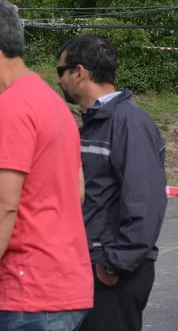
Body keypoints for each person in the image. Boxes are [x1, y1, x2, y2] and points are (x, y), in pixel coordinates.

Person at [0, 0, 93, 331]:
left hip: (29, 291)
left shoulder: (10, 107)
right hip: (63, 287)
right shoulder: (52, 103)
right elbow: (72, 191)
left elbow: (3, 202)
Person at [56, 34, 166, 331]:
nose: (58, 81)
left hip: (112, 273)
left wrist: (114, 264)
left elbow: (145, 202)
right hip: (88, 267)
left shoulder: (129, 122)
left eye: (60, 72)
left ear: (79, 72)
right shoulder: (96, 123)